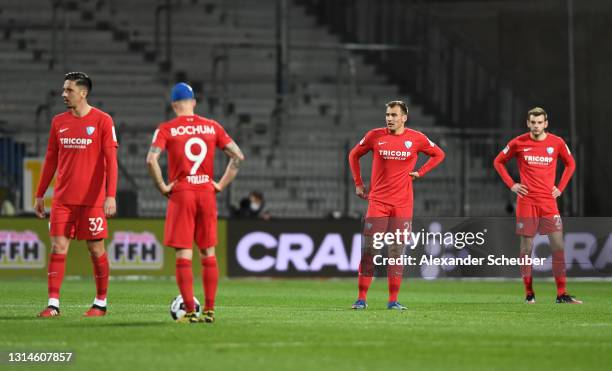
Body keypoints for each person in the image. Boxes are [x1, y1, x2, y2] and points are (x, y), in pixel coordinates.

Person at [146, 83, 245, 323]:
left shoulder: (167, 128)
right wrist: (220, 184)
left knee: (184, 255)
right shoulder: (212, 126)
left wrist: (162, 186)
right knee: (208, 252)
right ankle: (209, 310)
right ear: (194, 103)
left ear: (173, 105)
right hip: (205, 192)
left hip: (182, 193)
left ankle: (190, 310)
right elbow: (238, 156)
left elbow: (151, 160)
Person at [35, 72, 118, 317]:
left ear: (83, 93)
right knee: (58, 247)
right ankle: (53, 305)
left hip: (92, 201)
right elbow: (50, 160)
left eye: (69, 90)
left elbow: (111, 161)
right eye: (64, 90)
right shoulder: (58, 122)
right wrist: (40, 194)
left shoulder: (103, 121)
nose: (63, 94)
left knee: (95, 249)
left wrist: (110, 195)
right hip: (62, 199)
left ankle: (100, 303)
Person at [348, 100, 445, 310]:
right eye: (387, 115)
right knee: (371, 250)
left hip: (402, 205)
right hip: (378, 203)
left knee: (396, 251)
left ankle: (393, 301)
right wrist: (358, 183)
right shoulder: (375, 136)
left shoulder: (416, 138)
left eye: (394, 115)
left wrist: (421, 172)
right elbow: (353, 154)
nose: (389, 118)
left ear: (404, 118)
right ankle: (361, 299)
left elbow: (439, 154)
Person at [494, 107, 580, 304]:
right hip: (527, 203)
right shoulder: (518, 142)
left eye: (540, 122)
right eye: (533, 122)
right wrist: (512, 185)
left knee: (558, 246)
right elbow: (498, 162)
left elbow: (571, 163)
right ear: (528, 123)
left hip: (549, 203)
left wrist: (560, 187)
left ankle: (562, 294)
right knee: (526, 248)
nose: (536, 125)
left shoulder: (556, 143)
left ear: (546, 123)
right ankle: (529, 293)